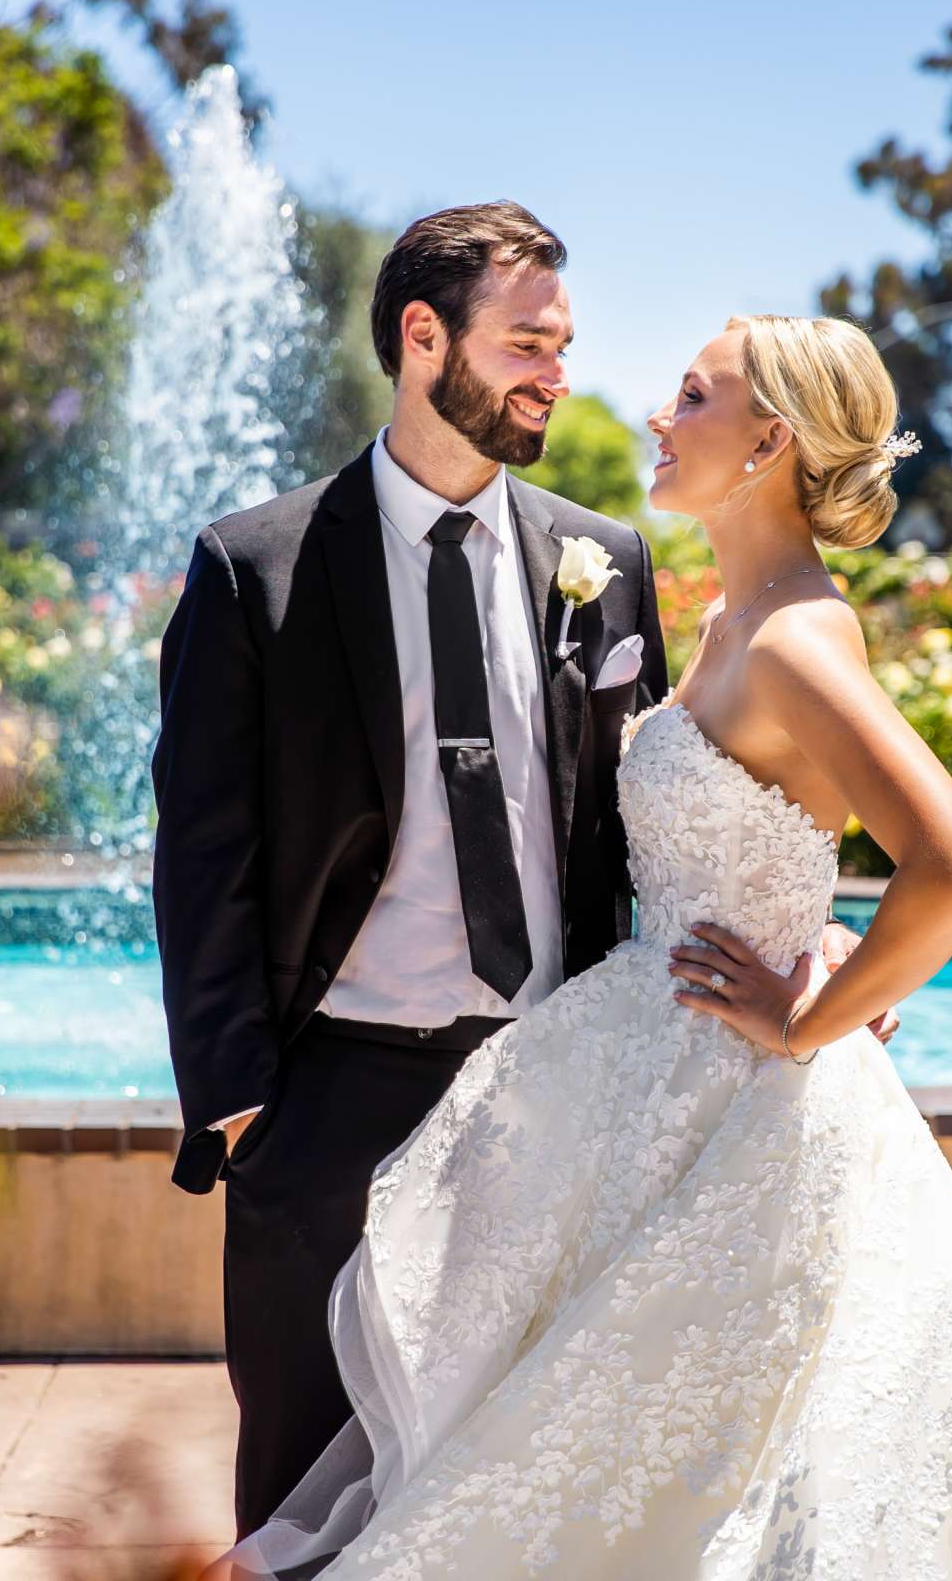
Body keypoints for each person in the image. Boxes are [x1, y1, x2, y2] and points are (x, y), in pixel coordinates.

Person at [220, 316, 952, 1577]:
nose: (661, 417)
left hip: (741, 1112)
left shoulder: (793, 638)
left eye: (692, 396)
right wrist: (816, 923)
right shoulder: (731, 621)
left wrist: (808, 1015)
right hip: (648, 1089)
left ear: (769, 441)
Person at [150, 203, 881, 1539]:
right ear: (423, 339)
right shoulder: (255, 569)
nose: (559, 373)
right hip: (328, 1109)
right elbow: (200, 857)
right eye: (528, 344)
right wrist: (244, 1107)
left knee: (512, 1506)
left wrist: (820, 942)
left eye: (565, 343)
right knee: (302, 1502)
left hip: (558, 1097)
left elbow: (678, 807)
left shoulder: (602, 563)